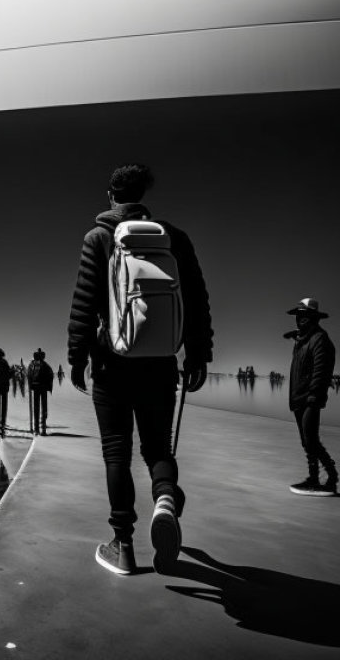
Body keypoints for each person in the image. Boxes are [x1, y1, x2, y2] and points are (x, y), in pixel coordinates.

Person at [68, 163, 213, 576]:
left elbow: (84, 302)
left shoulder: (98, 238)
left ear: (110, 195)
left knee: (117, 451)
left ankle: (124, 545)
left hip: (112, 364)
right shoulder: (174, 239)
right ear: (143, 196)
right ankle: (165, 499)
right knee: (157, 448)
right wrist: (198, 353)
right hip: (161, 364)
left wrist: (77, 357)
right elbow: (197, 300)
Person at [284, 298, 337, 496]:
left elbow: (321, 371)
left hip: (310, 399)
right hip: (298, 399)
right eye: (298, 316)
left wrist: (314, 397)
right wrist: (294, 336)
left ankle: (330, 478)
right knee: (307, 441)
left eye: (304, 316)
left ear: (313, 318)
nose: (299, 319)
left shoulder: (320, 340)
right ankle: (314, 477)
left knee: (311, 440)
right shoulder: (303, 339)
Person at [27, 348, 54, 436]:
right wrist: (49, 387)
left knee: (36, 408)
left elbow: (28, 376)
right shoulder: (45, 365)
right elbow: (51, 375)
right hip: (43, 388)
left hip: (35, 388)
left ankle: (36, 429)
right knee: (44, 408)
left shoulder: (32, 365)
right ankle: (43, 428)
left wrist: (31, 386)